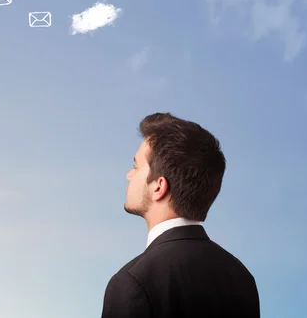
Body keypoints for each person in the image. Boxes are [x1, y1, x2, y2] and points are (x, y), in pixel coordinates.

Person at [101, 113, 260, 317]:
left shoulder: (132, 283)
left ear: (159, 186)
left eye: (136, 166)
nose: (129, 175)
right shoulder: (241, 277)